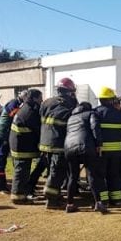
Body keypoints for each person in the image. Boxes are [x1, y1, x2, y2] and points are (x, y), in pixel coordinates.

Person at [39, 78, 78, 209]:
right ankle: (51, 200)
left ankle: (55, 194)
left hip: (45, 143)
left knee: (52, 169)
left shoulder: (47, 102)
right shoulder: (70, 104)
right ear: (70, 91)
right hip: (59, 143)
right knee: (57, 172)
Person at [64, 102, 108, 214]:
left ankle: (69, 204)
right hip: (86, 147)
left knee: (73, 176)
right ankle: (98, 203)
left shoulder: (71, 118)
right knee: (92, 174)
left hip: (69, 148)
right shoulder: (91, 114)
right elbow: (95, 128)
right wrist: (99, 144)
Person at [9, 89, 43, 204]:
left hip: (20, 142)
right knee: (22, 170)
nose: (41, 100)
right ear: (34, 98)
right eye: (40, 98)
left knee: (23, 169)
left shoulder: (27, 106)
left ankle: (22, 193)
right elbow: (37, 128)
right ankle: (17, 197)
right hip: (21, 144)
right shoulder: (30, 110)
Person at [94, 87, 121, 206]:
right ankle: (117, 199)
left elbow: (94, 131)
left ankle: (104, 200)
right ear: (112, 100)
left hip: (102, 150)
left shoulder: (96, 112)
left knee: (101, 175)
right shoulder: (119, 114)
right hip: (117, 150)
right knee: (114, 174)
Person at [0, 91, 26, 194]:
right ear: (22, 96)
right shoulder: (14, 103)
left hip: (7, 135)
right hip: (2, 135)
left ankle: (8, 185)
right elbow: (13, 114)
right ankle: (0, 187)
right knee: (0, 160)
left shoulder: (17, 103)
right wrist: (22, 108)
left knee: (6, 160)